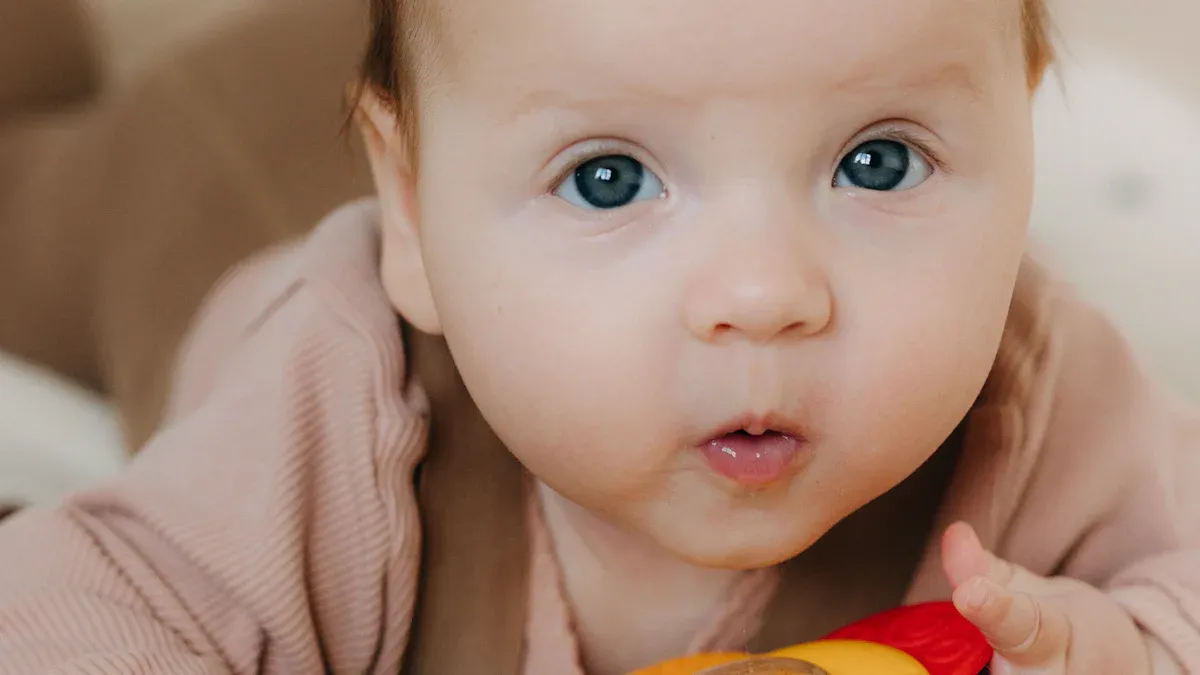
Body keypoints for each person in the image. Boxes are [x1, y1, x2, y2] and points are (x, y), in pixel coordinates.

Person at [0, 1, 1197, 674]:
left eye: (875, 161)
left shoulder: (1042, 394)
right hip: (206, 189)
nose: (766, 295)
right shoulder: (333, 394)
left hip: (476, 89)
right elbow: (60, 603)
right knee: (30, 195)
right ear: (411, 214)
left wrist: (1117, 655)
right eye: (612, 181)